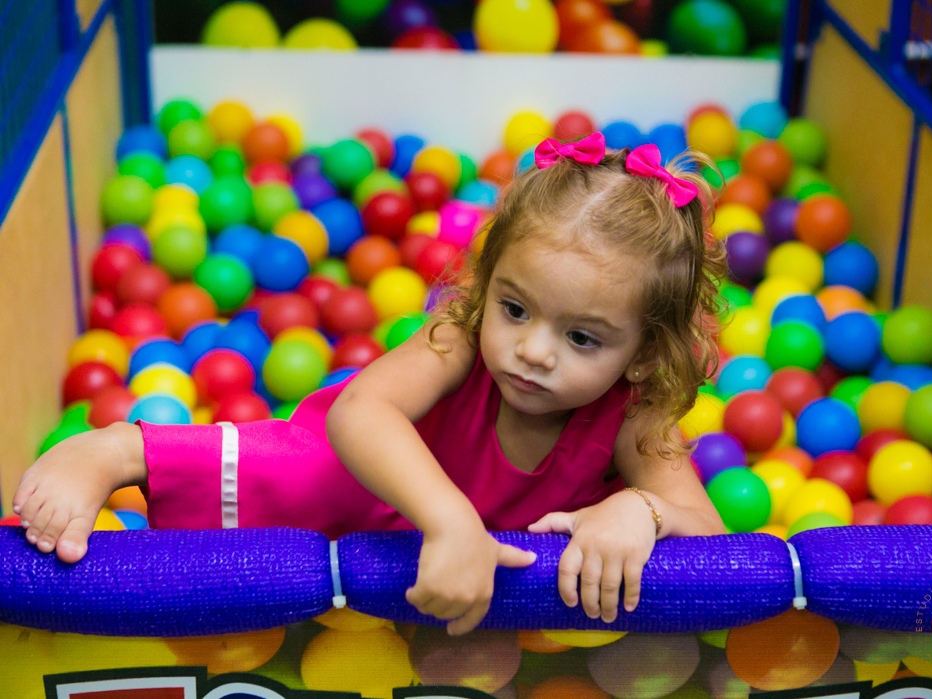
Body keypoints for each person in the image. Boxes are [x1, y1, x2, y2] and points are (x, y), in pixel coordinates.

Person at [13, 133, 727, 635]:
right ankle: (122, 450)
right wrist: (452, 521)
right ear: (488, 285)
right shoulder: (460, 336)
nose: (532, 350)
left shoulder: (636, 412)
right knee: (302, 468)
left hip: (454, 583)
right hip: (373, 483)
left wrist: (642, 510)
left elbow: (713, 537)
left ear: (641, 352)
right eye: (515, 308)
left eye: (581, 338)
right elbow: (362, 409)